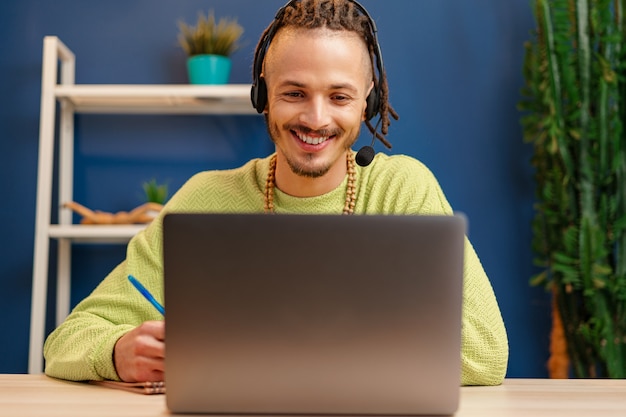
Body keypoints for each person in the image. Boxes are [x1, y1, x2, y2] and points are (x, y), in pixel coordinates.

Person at [44, 0, 508, 386]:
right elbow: (66, 341)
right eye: (294, 93)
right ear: (262, 93)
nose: (316, 118)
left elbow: (485, 353)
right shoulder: (204, 199)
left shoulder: (402, 189)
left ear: (367, 98)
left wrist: (296, 358)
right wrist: (117, 351)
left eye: (340, 97)